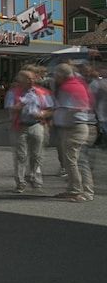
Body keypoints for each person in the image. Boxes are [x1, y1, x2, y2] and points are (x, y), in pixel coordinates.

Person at [52, 63, 96, 202]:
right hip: (78, 126)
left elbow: (67, 108)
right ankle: (77, 189)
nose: (55, 78)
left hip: (74, 127)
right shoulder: (77, 84)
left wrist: (50, 115)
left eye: (56, 75)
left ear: (61, 75)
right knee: (77, 160)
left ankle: (78, 190)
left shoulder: (68, 87)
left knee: (73, 161)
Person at [5, 70, 52, 193]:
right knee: (21, 156)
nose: (31, 81)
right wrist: (19, 105)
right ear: (20, 80)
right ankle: (20, 182)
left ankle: (33, 176)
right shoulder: (13, 93)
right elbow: (10, 109)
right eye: (28, 79)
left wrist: (42, 114)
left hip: (37, 125)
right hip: (19, 126)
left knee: (36, 155)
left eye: (32, 78)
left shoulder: (41, 92)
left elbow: (50, 109)